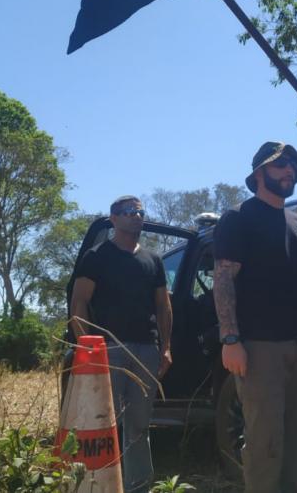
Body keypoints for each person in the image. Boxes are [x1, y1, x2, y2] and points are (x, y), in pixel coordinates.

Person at [213, 142, 297, 493]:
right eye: (280, 164)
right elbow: (223, 278)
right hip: (258, 348)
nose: (289, 170)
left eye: (293, 164)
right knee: (266, 442)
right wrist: (230, 339)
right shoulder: (238, 218)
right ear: (258, 173)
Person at [70, 195, 173, 492]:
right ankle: (99, 485)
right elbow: (79, 303)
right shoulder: (97, 257)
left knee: (139, 426)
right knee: (105, 423)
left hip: (146, 351)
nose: (136, 216)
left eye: (140, 211)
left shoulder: (153, 260)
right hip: (108, 351)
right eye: (128, 212)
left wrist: (166, 347)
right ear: (113, 219)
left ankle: (138, 486)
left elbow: (163, 306)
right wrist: (88, 348)